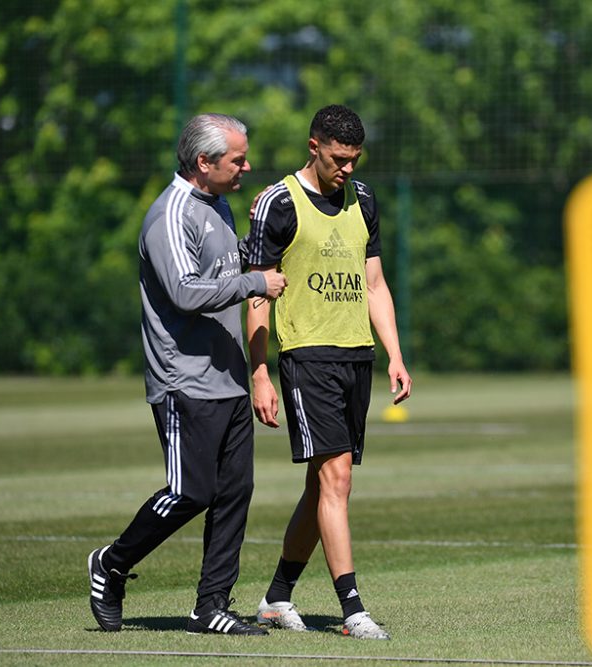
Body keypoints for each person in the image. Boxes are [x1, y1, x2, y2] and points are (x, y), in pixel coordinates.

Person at [87, 113, 287, 635]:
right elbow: (186, 292)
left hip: (229, 379)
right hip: (184, 381)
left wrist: (259, 241)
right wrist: (254, 282)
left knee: (233, 493)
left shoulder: (217, 203)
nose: (247, 165)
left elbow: (228, 267)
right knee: (190, 492)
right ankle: (111, 564)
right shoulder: (169, 215)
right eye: (237, 159)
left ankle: (211, 606)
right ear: (204, 162)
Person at [245, 104, 412, 639]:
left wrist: (395, 353)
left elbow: (376, 283)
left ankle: (275, 598)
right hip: (306, 357)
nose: (347, 169)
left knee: (323, 487)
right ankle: (353, 608)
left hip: (355, 355)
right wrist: (260, 372)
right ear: (313, 146)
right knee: (336, 477)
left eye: (355, 160)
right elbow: (256, 293)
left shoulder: (363, 199)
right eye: (339, 159)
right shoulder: (278, 202)